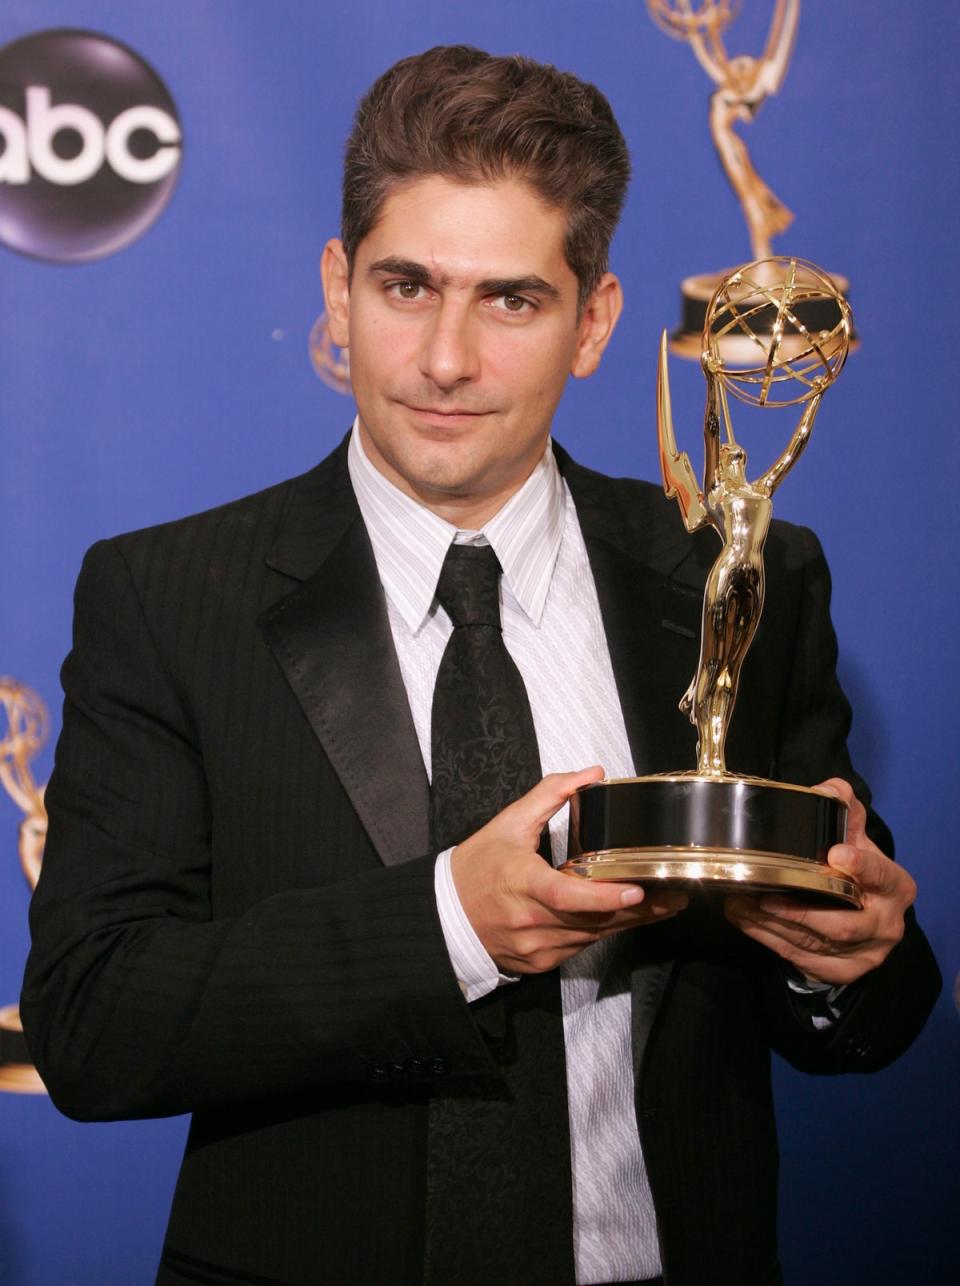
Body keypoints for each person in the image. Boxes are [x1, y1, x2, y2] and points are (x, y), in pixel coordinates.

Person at [22, 45, 939, 1286]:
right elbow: (91, 1023)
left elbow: (847, 1024)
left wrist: (858, 952)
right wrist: (455, 920)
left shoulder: (742, 582)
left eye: (510, 299)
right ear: (338, 288)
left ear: (595, 322)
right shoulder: (170, 597)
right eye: (407, 286)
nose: (445, 359)